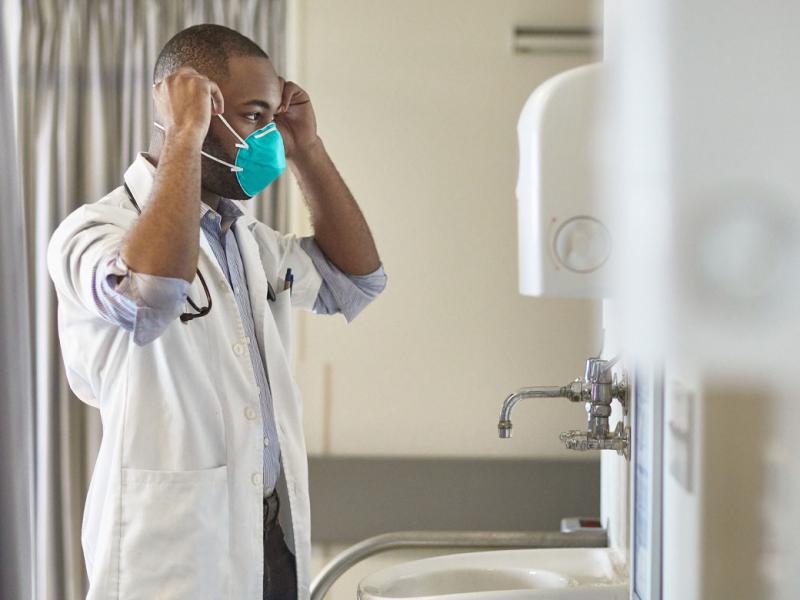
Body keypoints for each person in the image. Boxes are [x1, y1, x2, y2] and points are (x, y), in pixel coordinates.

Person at [46, 24, 386, 600]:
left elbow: (355, 282)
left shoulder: (242, 238)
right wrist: (184, 136)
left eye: (272, 119)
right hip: (173, 550)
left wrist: (308, 148)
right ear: (199, 109)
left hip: (266, 536)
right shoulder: (92, 231)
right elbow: (149, 296)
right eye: (255, 117)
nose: (267, 137)